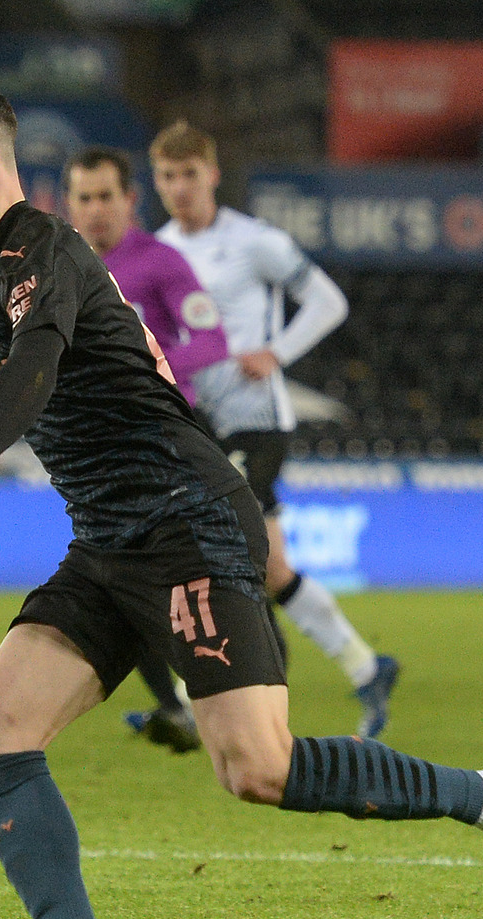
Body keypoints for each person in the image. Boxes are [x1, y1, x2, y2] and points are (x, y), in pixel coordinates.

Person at [0, 78, 483, 919]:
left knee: (256, 767)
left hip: (187, 523)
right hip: (110, 539)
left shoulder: (40, 250)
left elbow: (36, 368)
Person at [150, 122, 401, 739]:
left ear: (211, 175)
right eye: (167, 176)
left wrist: (278, 351)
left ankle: (189, 700)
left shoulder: (255, 241)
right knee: (269, 567)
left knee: (215, 547)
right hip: (199, 420)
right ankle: (366, 666)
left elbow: (328, 301)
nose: (179, 187)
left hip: (256, 418)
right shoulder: (158, 251)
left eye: (189, 174)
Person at [63, 145, 231, 754]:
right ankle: (179, 705)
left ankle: (212, 702)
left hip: (165, 442)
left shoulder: (160, 262)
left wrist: (150, 364)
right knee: (126, 584)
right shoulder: (59, 268)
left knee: (172, 580)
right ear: (69, 203)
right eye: (84, 197)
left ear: (130, 200)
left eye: (106, 196)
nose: (96, 209)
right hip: (98, 454)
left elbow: (212, 339)